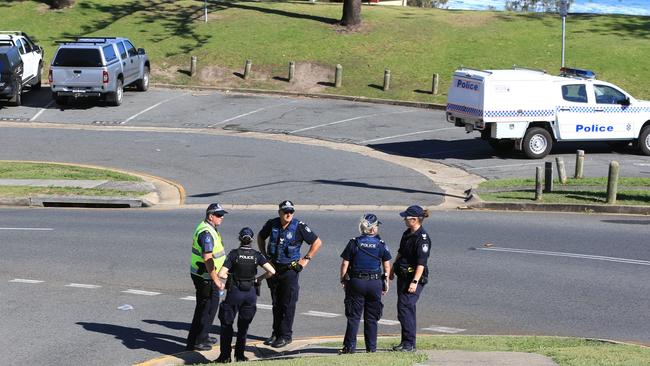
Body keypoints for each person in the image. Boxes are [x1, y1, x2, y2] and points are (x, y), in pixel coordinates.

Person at [257, 200, 322, 348]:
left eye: (291, 211)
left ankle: (286, 335)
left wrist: (305, 260)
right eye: (285, 211)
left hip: (289, 271)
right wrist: (265, 256)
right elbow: (260, 237)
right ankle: (276, 333)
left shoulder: (299, 227)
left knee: (287, 303)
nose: (288, 214)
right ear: (279, 212)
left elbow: (317, 242)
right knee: (276, 303)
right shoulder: (272, 224)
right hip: (273, 270)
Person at [215, 227, 276, 363]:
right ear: (252, 240)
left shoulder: (234, 254)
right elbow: (272, 271)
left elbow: (220, 274)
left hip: (235, 293)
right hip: (250, 294)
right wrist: (259, 279)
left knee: (227, 324)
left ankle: (225, 356)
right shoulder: (256, 255)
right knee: (243, 326)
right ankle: (240, 355)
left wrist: (231, 276)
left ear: (239, 239)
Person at [339, 214, 391, 354]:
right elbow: (386, 267)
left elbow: (345, 264)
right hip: (374, 283)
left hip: (356, 282)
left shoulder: (354, 242)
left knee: (354, 317)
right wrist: (385, 283)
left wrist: (343, 279)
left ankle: (349, 348)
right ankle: (371, 348)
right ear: (372, 228)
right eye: (376, 225)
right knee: (372, 318)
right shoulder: (381, 244)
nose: (377, 228)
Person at [186, 203, 228, 351]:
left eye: (222, 214)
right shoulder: (206, 233)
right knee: (207, 308)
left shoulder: (209, 228)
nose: (221, 217)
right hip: (206, 277)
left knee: (206, 307)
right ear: (211, 216)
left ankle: (201, 336)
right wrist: (216, 280)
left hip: (205, 275)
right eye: (218, 215)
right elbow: (208, 258)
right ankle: (198, 341)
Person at [389, 205, 431, 352]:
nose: (404, 220)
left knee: (405, 308)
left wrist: (415, 282)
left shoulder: (422, 239)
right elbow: (400, 252)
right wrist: (393, 268)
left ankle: (409, 344)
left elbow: (421, 263)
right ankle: (405, 341)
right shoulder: (407, 233)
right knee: (404, 309)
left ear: (414, 220)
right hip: (403, 276)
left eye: (406, 218)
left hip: (414, 278)